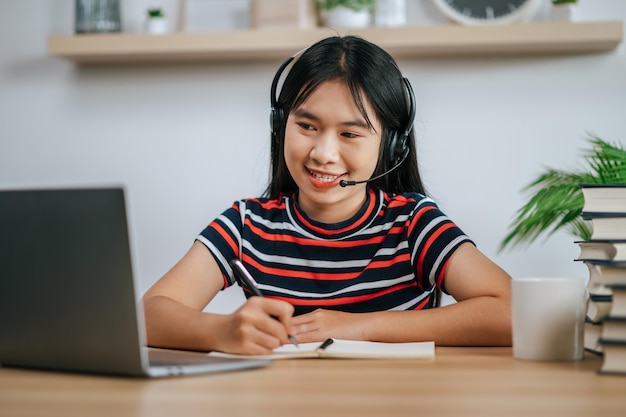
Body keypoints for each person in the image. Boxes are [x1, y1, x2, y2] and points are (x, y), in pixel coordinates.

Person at [142, 35, 512, 355]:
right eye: (306, 125)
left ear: (391, 146)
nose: (323, 153)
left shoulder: (414, 223)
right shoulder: (246, 225)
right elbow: (148, 314)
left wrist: (362, 327)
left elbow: (512, 310)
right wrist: (220, 331)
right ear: (280, 125)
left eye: (350, 134)